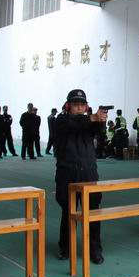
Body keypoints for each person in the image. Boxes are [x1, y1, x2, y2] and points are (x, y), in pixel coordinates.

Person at [54, 89, 107, 264]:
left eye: (82, 105)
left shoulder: (88, 121)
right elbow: (73, 124)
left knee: (93, 213)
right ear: (68, 106)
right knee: (68, 213)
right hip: (68, 173)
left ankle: (95, 249)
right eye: (76, 105)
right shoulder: (61, 120)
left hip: (89, 172)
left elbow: (98, 131)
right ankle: (66, 248)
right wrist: (93, 117)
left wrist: (101, 120)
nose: (79, 108)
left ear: (86, 107)